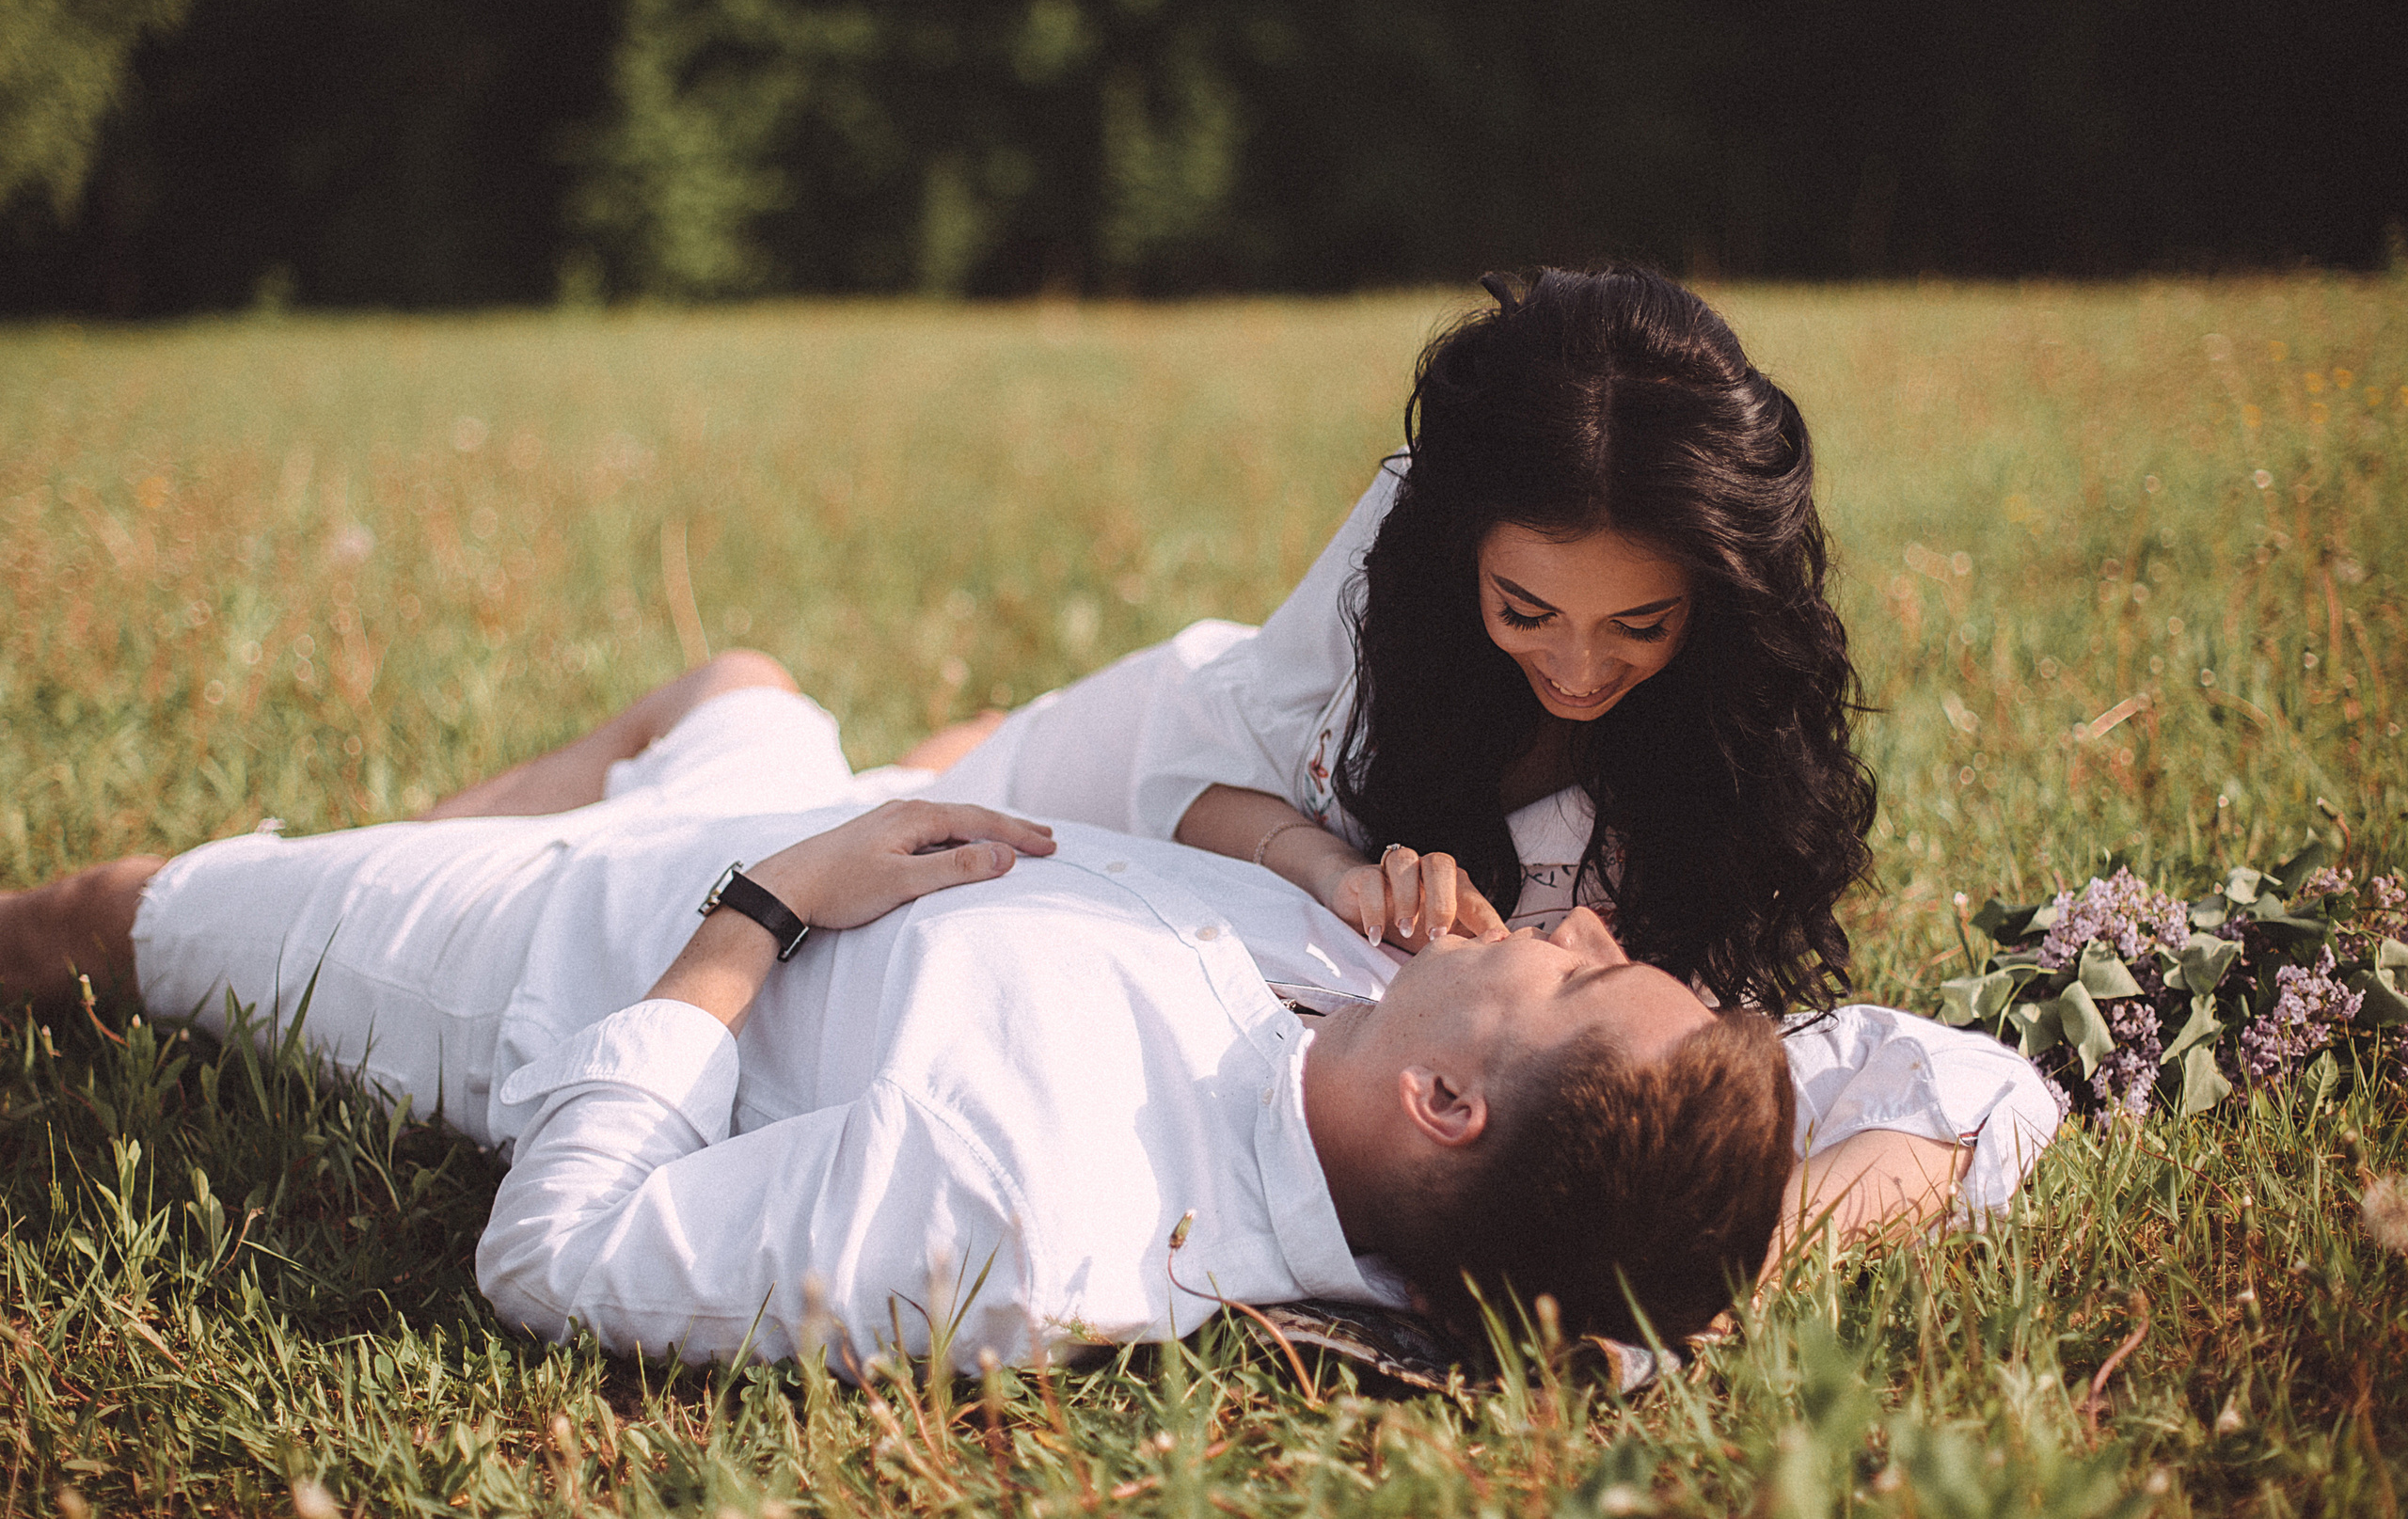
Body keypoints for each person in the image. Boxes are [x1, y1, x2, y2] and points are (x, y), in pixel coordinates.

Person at [2, 659, 2056, 1372]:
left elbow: (558, 1258)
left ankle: (329, 904)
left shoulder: (1033, 1209)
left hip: (576, 938)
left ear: (1445, 1099)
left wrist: (754, 916)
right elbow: (1960, 1084)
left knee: (98, 915)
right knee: (726, 664)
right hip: (778, 805)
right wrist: (1682, 1257)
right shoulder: (1367, 998)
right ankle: (359, 851)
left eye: (1573, 976)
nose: (1582, 925)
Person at [917, 265, 1874, 1017]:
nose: (1579, 672)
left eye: (1640, 625)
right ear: (1463, 562)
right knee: (889, 813)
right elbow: (1189, 783)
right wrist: (1338, 871)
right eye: (1525, 613)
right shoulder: (1397, 604)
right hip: (1128, 751)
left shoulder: (1731, 723)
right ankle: (915, 733)